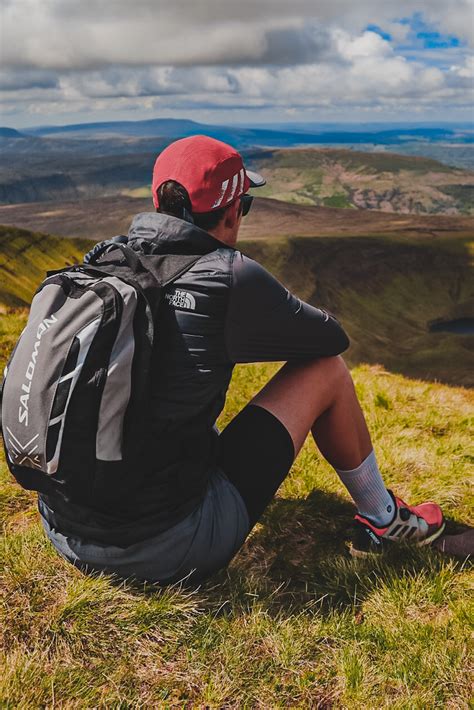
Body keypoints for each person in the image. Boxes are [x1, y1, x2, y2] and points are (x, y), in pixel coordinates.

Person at [39, 135, 445, 584]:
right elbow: (331, 338)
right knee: (325, 370)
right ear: (232, 210)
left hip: (65, 528)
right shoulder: (227, 275)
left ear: (158, 202)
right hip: (165, 546)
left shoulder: (107, 261)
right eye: (245, 204)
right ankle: (383, 519)